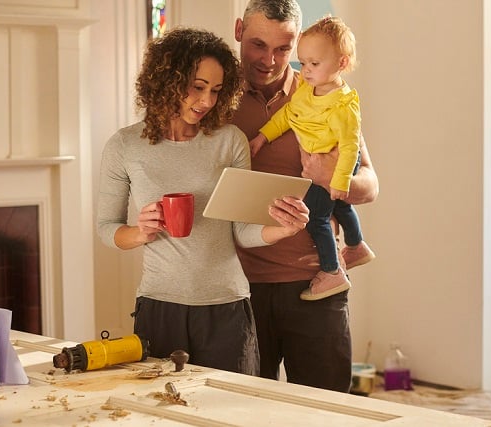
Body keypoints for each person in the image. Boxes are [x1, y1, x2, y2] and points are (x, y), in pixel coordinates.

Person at [96, 27, 309, 376]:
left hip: (227, 306)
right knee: (164, 411)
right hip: (159, 306)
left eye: (216, 90)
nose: (207, 101)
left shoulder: (230, 141)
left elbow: (241, 231)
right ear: (167, 80)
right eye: (197, 87)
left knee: (232, 411)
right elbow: (107, 228)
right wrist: (139, 233)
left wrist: (282, 230)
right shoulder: (125, 146)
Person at [232, 0, 380, 393]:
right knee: (245, 411)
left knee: (325, 411)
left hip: (316, 281)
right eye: (258, 45)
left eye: (284, 48)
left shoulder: (324, 94)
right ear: (238, 32)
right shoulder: (211, 97)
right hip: (237, 287)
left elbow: (370, 183)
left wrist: (333, 176)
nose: (270, 59)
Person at [248, 15, 375, 302]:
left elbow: (352, 149)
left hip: (338, 166)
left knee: (318, 216)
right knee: (339, 206)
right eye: (302, 62)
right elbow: (287, 116)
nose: (304, 70)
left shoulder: (343, 105)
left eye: (313, 64)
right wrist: (263, 137)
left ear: (341, 64)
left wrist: (336, 179)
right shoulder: (307, 91)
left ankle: (331, 272)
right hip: (253, 279)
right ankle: (356, 245)